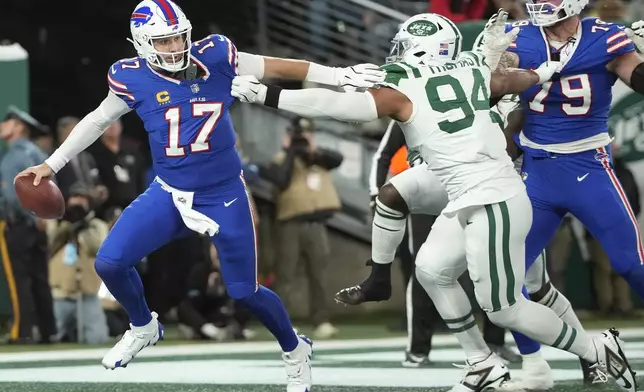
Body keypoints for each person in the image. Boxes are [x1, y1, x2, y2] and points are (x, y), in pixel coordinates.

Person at [232, 11, 636, 392]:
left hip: (492, 196)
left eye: (404, 45)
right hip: (476, 191)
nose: (397, 53)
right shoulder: (472, 67)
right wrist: (542, 70)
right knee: (431, 269)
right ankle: (482, 364)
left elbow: (339, 106)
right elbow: (510, 82)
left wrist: (269, 97)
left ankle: (597, 349)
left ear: (422, 49)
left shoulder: (408, 83)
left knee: (504, 308)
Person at [16, 0, 383, 389]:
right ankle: (144, 326)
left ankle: (295, 351)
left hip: (223, 193)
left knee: (245, 291)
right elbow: (96, 121)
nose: (175, 47)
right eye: (164, 41)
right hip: (170, 191)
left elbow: (281, 66)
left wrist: (338, 75)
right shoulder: (131, 77)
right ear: (142, 44)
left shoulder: (218, 55)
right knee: (108, 262)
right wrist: (51, 165)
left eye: (178, 37)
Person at [490, 1, 644, 388]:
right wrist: (491, 63)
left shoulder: (605, 38)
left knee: (629, 264)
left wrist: (641, 57)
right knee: (507, 280)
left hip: (590, 168)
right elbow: (491, 91)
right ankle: (536, 365)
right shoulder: (520, 37)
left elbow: (636, 77)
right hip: (537, 171)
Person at [266, 116, 343, 339]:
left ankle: (321, 319)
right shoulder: (280, 158)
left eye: (306, 134)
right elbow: (280, 180)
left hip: (316, 224)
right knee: (286, 274)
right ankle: (280, 322)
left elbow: (337, 159)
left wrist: (311, 151)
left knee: (318, 274)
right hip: (290, 224)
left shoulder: (318, 158)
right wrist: (291, 151)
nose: (302, 138)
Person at [0, 106, 56, 344]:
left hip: (20, 224)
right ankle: (48, 330)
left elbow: (15, 195)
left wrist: (30, 217)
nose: (2, 126)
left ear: (18, 126)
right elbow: (53, 188)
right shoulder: (37, 152)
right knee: (40, 279)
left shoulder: (14, 155)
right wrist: (42, 217)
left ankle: (21, 332)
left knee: (19, 280)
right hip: (40, 225)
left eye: (7, 122)